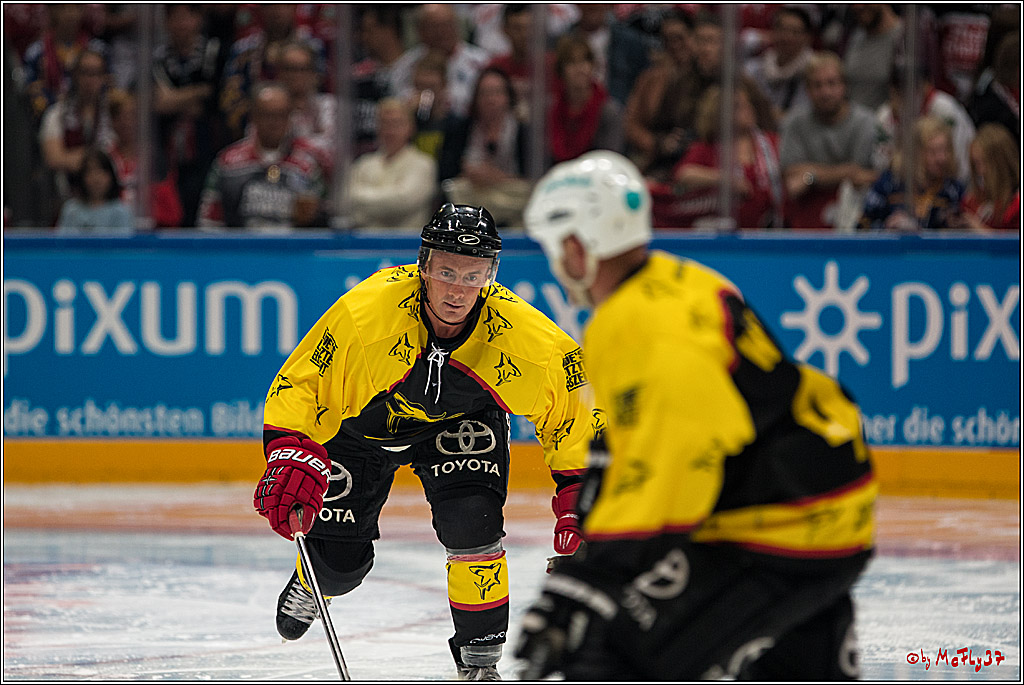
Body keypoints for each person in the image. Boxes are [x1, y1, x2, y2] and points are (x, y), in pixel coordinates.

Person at [516, 149, 877, 680]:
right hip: (822, 500)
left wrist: (591, 581)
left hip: (783, 526)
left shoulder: (632, 325)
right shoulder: (683, 277)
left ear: (577, 246)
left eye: (553, 249)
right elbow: (637, 448)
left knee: (605, 654)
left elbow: (673, 477)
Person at [256, 203, 595, 681]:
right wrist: (290, 450)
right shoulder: (366, 314)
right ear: (424, 266)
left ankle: (479, 664)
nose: (458, 290)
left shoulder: (529, 341)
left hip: (459, 426)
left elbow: (574, 414)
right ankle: (319, 584)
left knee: (472, 527)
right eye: (448, 272)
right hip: (360, 432)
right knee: (339, 566)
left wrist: (582, 502)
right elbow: (302, 383)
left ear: (491, 276)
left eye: (473, 275)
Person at [197, 82, 325, 231]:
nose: (274, 123)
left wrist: (314, 218)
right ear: (254, 117)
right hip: (240, 250)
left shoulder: (307, 167)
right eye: (267, 115)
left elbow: (324, 223)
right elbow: (208, 223)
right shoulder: (227, 163)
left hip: (291, 250)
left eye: (281, 115)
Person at [780, 51, 877, 229]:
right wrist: (846, 171)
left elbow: (864, 175)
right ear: (807, 90)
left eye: (832, 83)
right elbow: (791, 176)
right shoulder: (794, 123)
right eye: (817, 85)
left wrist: (811, 175)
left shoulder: (865, 122)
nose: (825, 92)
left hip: (854, 216)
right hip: (805, 218)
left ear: (844, 86)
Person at [668, 82, 783, 229]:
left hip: (771, 230)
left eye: (748, 103)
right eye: (738, 106)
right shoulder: (709, 147)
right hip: (725, 234)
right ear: (719, 114)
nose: (748, 109)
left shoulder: (771, 142)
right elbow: (683, 175)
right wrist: (726, 180)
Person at [439, 67, 532, 227]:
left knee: (524, 193)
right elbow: (447, 174)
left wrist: (498, 178)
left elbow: (532, 177)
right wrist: (468, 171)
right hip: (473, 191)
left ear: (508, 97)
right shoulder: (461, 129)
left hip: (509, 192)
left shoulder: (524, 131)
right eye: (485, 93)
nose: (491, 99)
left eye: (497, 92)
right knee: (456, 189)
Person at [860, 116, 965, 231]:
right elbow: (861, 228)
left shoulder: (954, 190)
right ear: (915, 153)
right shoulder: (888, 184)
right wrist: (887, 228)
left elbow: (963, 236)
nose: (942, 158)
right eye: (933, 152)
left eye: (946, 150)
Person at [346, 98, 438, 229]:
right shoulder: (363, 164)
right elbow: (345, 201)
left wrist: (361, 202)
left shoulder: (423, 164)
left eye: (396, 123)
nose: (390, 130)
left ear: (410, 128)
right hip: (365, 243)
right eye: (385, 124)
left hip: (406, 245)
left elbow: (403, 202)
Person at [388, 4, 490, 119]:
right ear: (420, 30)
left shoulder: (482, 62)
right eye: (434, 26)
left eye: (446, 25)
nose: (442, 32)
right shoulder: (405, 66)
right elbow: (395, 106)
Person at [547, 34, 623, 165]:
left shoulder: (609, 111)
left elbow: (610, 160)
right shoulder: (548, 109)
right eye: (572, 62)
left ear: (592, 66)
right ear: (561, 70)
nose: (579, 69)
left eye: (584, 61)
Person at [743, 5, 815, 121]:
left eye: (795, 32)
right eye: (782, 29)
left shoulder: (814, 70)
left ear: (807, 37)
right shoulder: (754, 70)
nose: (787, 37)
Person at [957, 123, 1020, 232]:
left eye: (984, 163)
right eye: (976, 164)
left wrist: (980, 230)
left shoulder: (1016, 204)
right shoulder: (971, 201)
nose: (981, 172)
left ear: (1002, 162)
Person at [56, 146, 134, 232]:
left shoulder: (121, 211)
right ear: (82, 176)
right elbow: (63, 243)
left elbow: (123, 243)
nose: (96, 179)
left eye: (102, 171)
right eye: (90, 171)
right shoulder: (71, 210)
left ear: (111, 176)